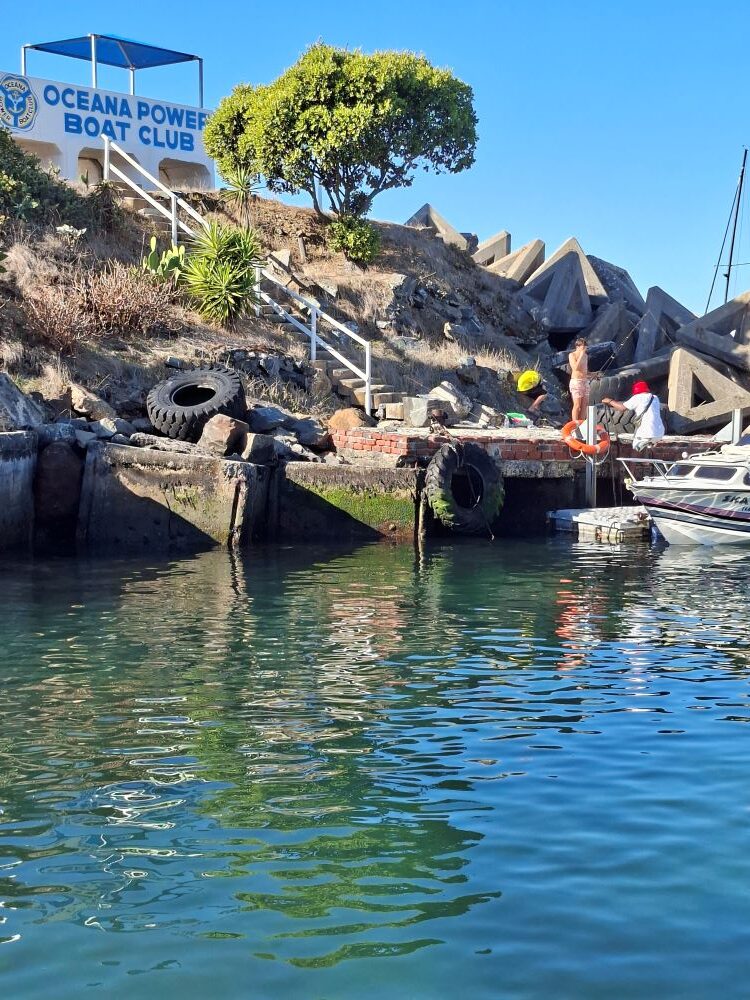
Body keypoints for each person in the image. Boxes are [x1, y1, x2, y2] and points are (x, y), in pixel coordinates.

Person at [601, 380, 665, 450]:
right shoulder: (655, 398)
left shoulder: (638, 397)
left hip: (647, 432)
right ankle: (649, 458)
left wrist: (610, 401)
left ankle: (640, 459)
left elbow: (622, 408)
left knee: (636, 448)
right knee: (648, 449)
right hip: (660, 433)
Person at [568, 338, 590, 421]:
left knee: (585, 405)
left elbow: (585, 370)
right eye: (583, 346)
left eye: (586, 346)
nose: (585, 348)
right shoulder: (572, 355)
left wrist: (593, 375)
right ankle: (575, 424)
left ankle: (582, 423)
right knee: (577, 405)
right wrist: (581, 355)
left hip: (585, 381)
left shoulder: (586, 356)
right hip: (576, 382)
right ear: (578, 346)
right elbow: (575, 368)